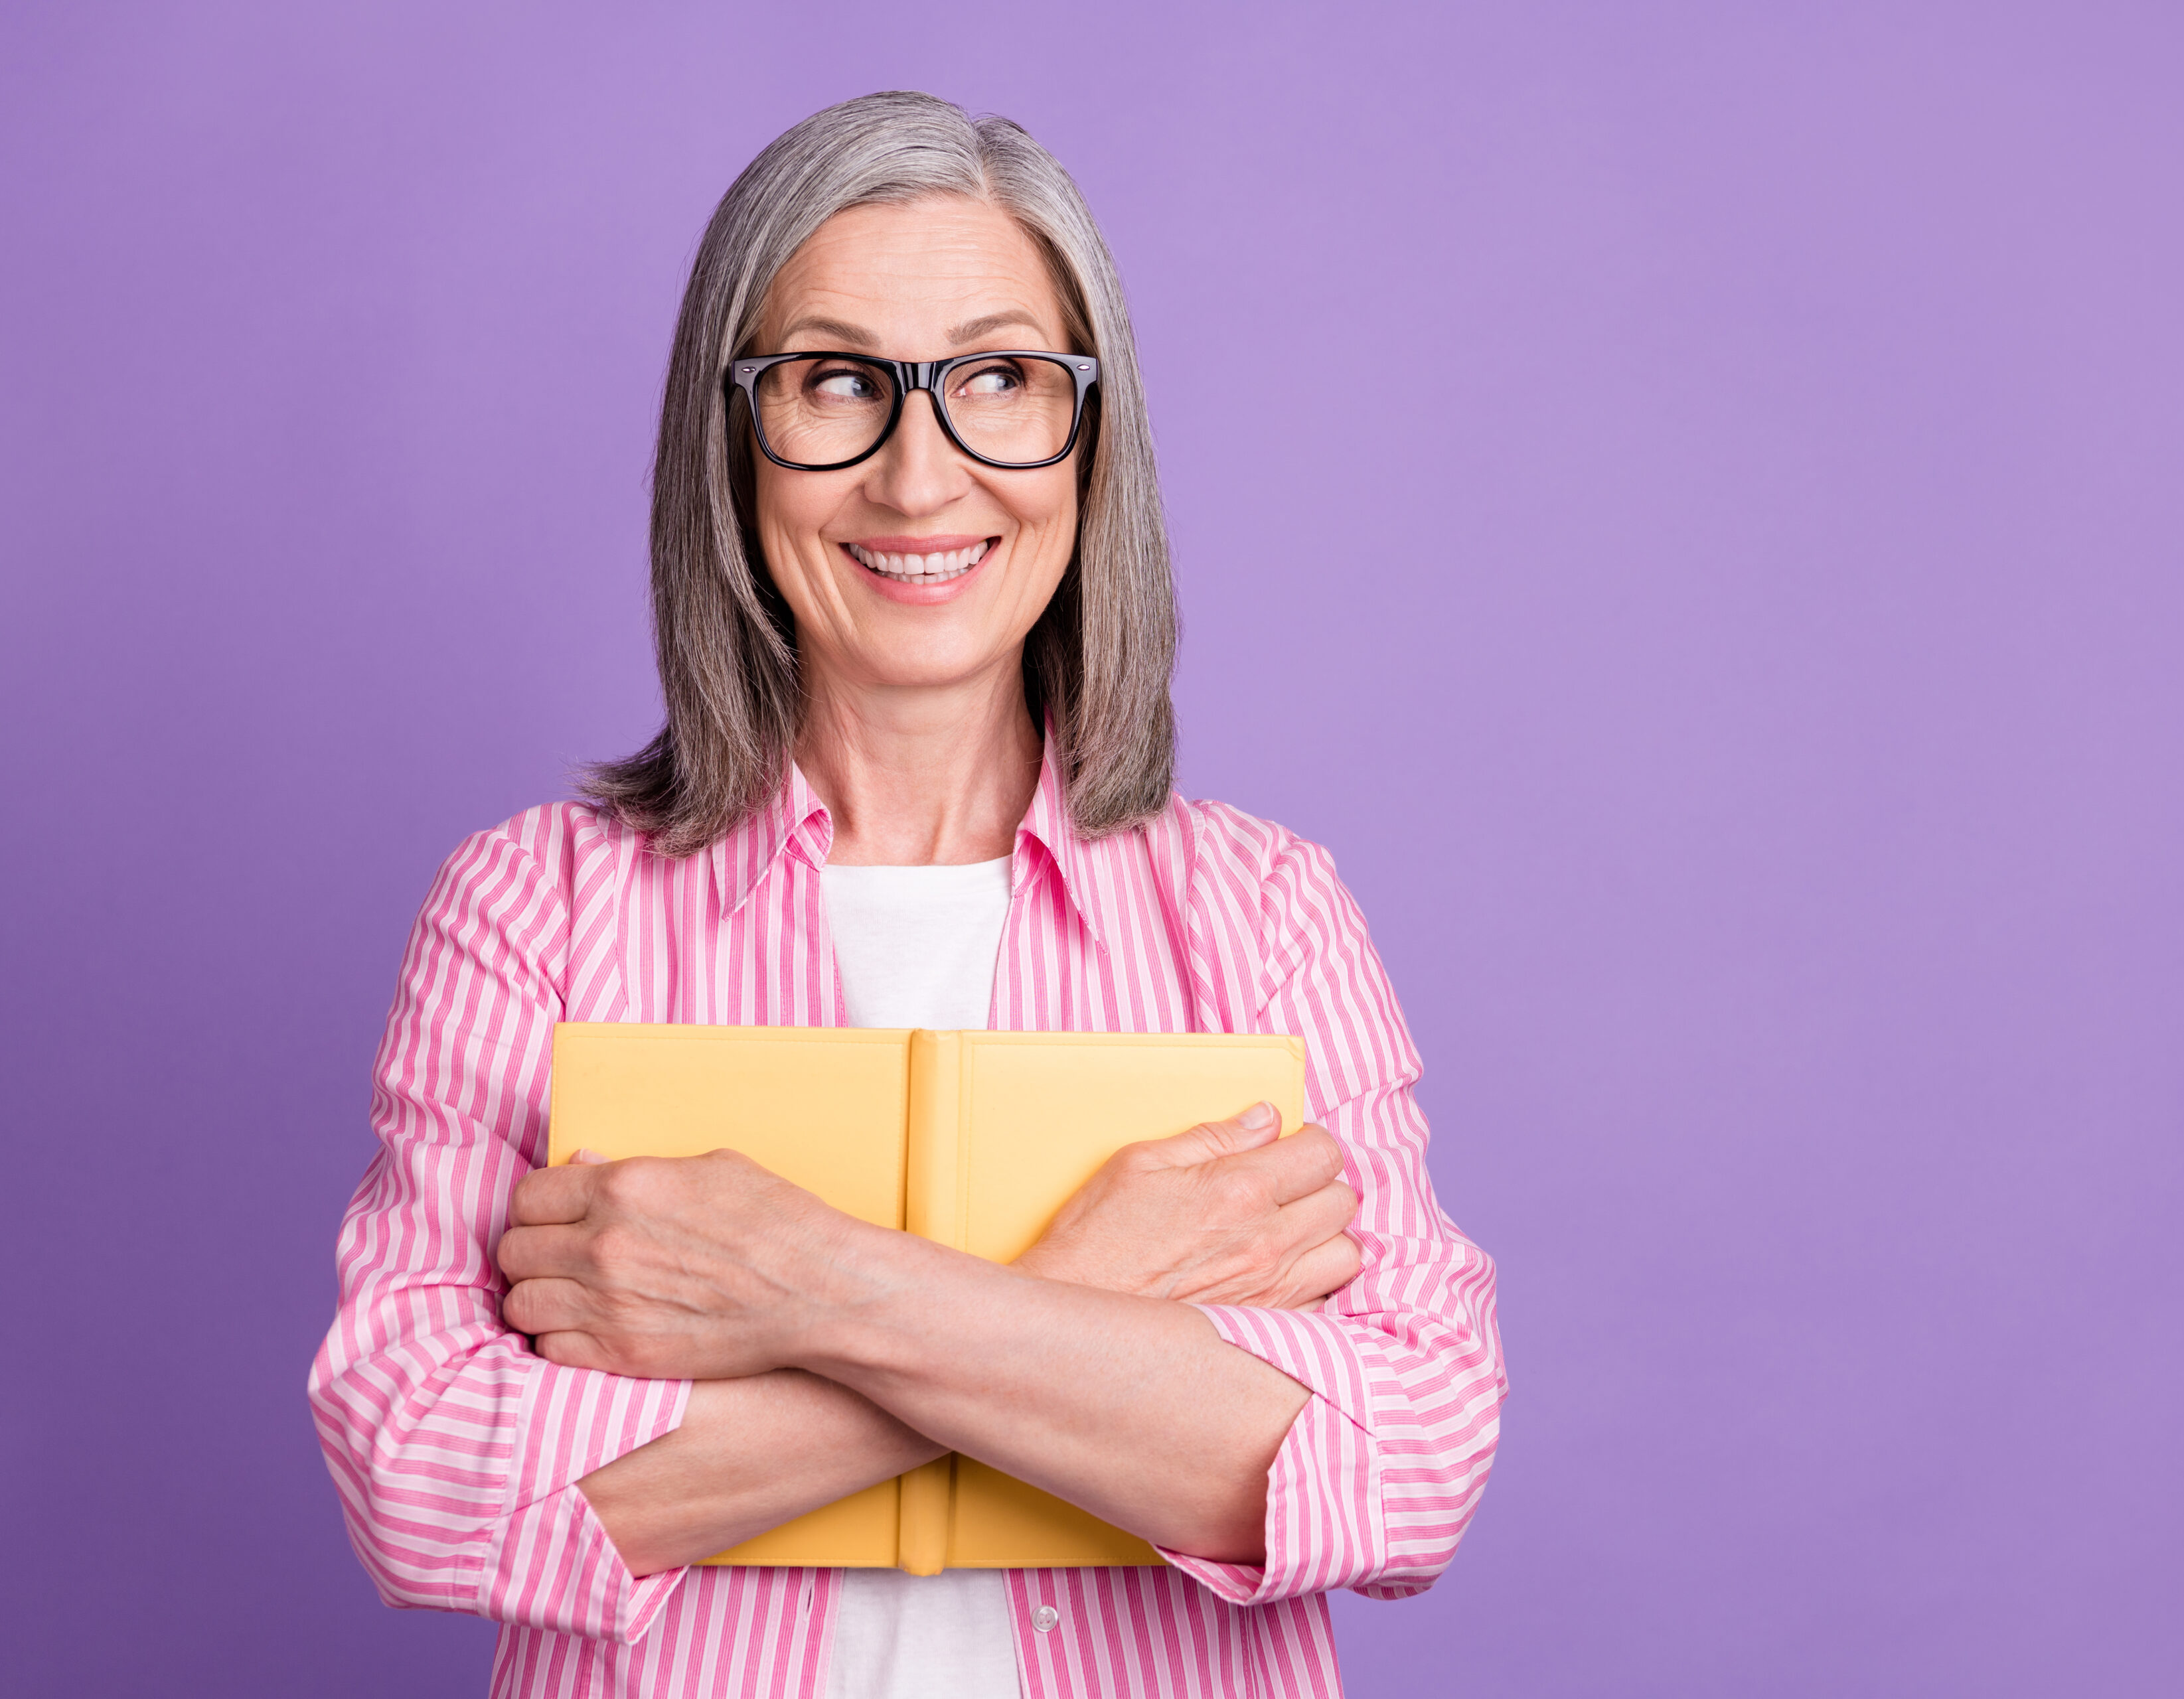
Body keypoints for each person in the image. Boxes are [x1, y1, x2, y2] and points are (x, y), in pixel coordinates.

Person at [310, 91, 1502, 1699]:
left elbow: (1410, 1457)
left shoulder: (1263, 913)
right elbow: (425, 1477)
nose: (919, 473)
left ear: (1092, 430)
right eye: (836, 382)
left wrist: (800, 1284)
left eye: (999, 376)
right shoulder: (534, 908)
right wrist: (1091, 1305)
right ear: (735, 438)